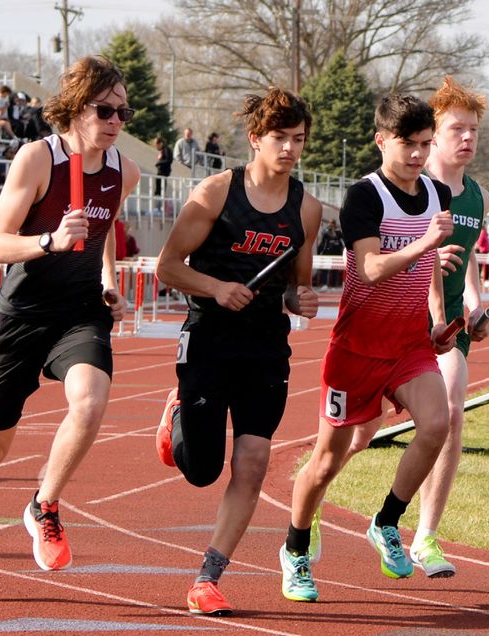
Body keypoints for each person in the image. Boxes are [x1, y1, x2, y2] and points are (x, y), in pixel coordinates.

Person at [0, 55, 140, 604]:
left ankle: (44, 503)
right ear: (75, 108)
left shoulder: (124, 170)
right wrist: (48, 241)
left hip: (79, 312)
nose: (116, 120)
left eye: (123, 110)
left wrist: (109, 283)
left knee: (90, 403)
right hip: (21, 315)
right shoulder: (37, 159)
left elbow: (107, 228)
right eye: (105, 109)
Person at [278, 93, 455, 602]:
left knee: (437, 423)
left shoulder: (437, 193)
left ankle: (386, 521)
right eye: (408, 145)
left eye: (426, 144)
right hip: (357, 348)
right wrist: (425, 243)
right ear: (381, 141)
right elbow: (373, 270)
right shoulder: (365, 196)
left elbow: (432, 266)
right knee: (326, 462)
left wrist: (439, 317)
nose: (419, 155)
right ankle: (294, 548)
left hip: (408, 343)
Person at [318, 76, 489, 579]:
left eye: (474, 130)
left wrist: (474, 310)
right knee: (356, 437)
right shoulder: (401, 191)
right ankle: (310, 507)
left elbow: (465, 262)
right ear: (430, 135)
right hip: (388, 323)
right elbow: (404, 261)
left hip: (439, 329)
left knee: (448, 415)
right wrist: (435, 301)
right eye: (456, 128)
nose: (467, 138)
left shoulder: (475, 196)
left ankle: (423, 534)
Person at [154, 87, 321, 616]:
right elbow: (168, 267)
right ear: (255, 139)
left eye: (298, 140)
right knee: (203, 469)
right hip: (209, 338)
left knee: (252, 461)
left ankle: (208, 576)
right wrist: (216, 287)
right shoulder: (215, 193)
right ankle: (178, 412)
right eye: (280, 138)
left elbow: (296, 285)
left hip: (266, 347)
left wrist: (303, 297)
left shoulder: (307, 209)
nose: (290, 149)